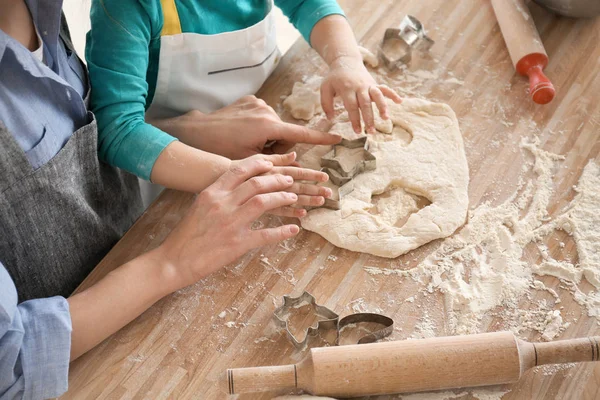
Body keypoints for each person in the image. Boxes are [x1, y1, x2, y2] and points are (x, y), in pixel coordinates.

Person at [0, 0, 348, 398]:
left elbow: (87, 132)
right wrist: (172, 262)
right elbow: (10, 364)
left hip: (132, 245)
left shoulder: (38, 10)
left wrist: (190, 129)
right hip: (84, 368)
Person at [85, 0, 403, 202]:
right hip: (176, 169)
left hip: (270, 123)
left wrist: (345, 58)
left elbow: (309, 4)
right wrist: (234, 172)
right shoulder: (126, 6)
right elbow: (116, 129)